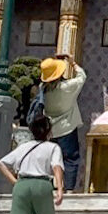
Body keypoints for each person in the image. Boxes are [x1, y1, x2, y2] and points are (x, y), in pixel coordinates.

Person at [39, 55, 86, 193]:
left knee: (53, 159)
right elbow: (82, 76)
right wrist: (72, 63)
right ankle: (68, 188)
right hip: (67, 128)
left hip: (50, 130)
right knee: (70, 158)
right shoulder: (67, 87)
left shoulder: (43, 90)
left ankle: (54, 186)